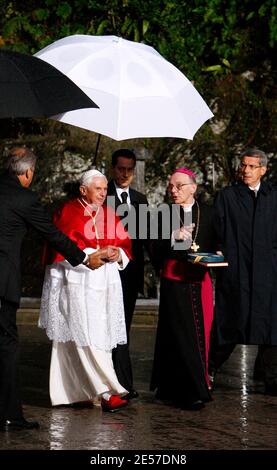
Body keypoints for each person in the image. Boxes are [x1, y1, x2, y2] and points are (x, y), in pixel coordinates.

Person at [0, 147, 104, 431]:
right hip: (2, 284)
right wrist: (84, 257)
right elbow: (53, 234)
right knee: (6, 347)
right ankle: (9, 415)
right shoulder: (24, 198)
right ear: (28, 172)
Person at [39, 169, 132, 412]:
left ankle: (78, 392)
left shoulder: (109, 213)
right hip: (78, 281)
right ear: (83, 190)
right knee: (84, 337)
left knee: (97, 337)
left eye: (104, 189)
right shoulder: (68, 212)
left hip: (105, 283)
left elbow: (124, 245)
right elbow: (62, 248)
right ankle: (108, 391)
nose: (103, 193)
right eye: (98, 189)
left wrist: (117, 253)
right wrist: (92, 254)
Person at [209, 148, 277, 395]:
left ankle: (271, 378)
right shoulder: (227, 196)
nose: (245, 170)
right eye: (243, 166)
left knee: (270, 327)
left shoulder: (273, 196)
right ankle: (210, 368)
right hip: (236, 273)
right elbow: (216, 231)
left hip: (267, 275)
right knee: (229, 324)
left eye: (251, 166)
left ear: (263, 169)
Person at [150, 167, 215, 410]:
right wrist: (172, 238)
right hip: (174, 280)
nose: (173, 191)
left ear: (193, 188)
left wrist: (218, 254)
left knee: (198, 334)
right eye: (171, 186)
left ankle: (196, 387)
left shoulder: (208, 213)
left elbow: (220, 242)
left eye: (178, 186)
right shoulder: (164, 213)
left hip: (199, 281)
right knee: (174, 334)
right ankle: (173, 388)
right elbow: (153, 248)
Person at [107, 149, 148, 399]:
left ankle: (123, 381)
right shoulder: (102, 195)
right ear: (113, 168)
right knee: (107, 326)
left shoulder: (140, 199)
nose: (125, 174)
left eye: (129, 169)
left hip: (131, 274)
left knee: (125, 327)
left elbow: (144, 238)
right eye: (121, 168)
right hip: (106, 272)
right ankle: (115, 381)